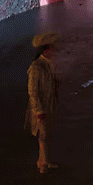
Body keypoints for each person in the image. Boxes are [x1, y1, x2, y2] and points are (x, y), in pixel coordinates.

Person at [28, 33, 61, 173]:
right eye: (51, 49)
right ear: (45, 50)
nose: (54, 51)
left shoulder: (47, 64)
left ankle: (45, 161)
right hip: (42, 107)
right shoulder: (37, 67)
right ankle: (42, 164)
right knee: (43, 136)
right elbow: (33, 91)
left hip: (49, 105)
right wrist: (38, 109)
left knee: (46, 134)